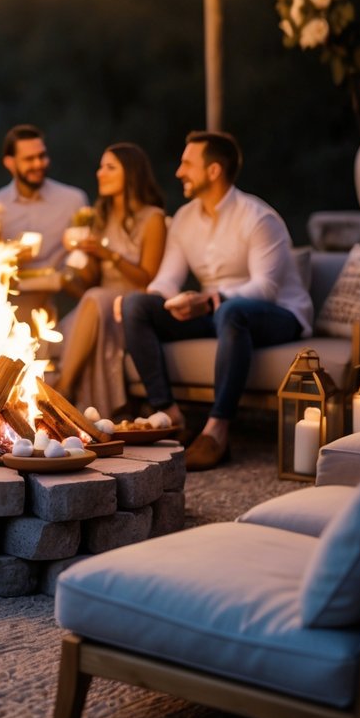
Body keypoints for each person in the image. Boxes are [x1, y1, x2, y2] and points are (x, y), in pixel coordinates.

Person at [119, 130, 313, 471]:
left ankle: (218, 430)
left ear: (213, 171)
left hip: (278, 315)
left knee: (231, 310)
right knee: (136, 305)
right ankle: (172, 416)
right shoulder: (184, 218)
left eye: (187, 164)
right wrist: (160, 300)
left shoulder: (258, 217)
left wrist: (211, 300)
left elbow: (266, 287)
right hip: (220, 313)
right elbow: (167, 278)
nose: (179, 172)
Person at [55, 143, 166, 417]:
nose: (100, 173)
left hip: (130, 305)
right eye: (101, 166)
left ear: (131, 173)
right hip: (99, 302)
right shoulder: (100, 217)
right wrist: (82, 254)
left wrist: (110, 255)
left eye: (109, 167)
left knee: (95, 298)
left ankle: (64, 389)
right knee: (81, 308)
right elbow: (91, 280)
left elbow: (148, 276)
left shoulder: (153, 218)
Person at [0, 124, 88, 270]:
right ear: (10, 163)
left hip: (60, 288)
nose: (38, 164)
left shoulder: (73, 200)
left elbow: (85, 259)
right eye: (29, 159)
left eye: (42, 156)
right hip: (13, 289)